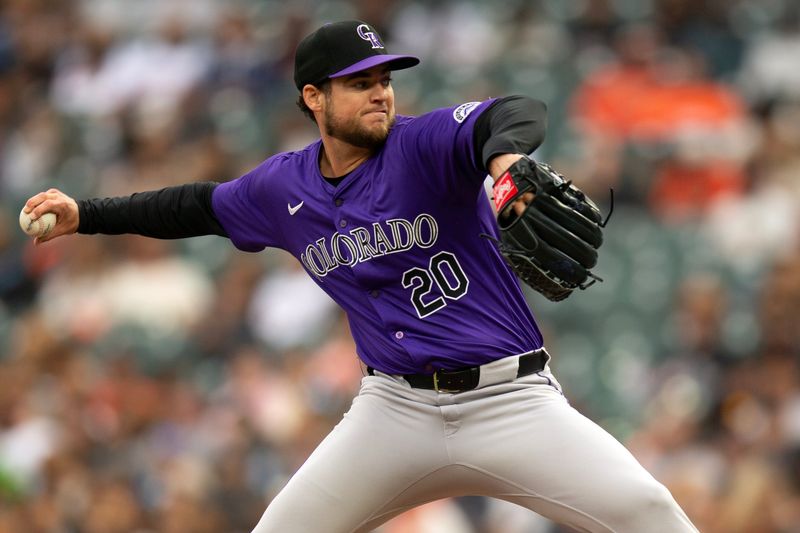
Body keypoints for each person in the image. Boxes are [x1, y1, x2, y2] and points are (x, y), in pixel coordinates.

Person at [24, 20, 698, 533]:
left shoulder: (422, 145)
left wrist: (505, 164)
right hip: (394, 412)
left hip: (509, 400)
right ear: (313, 97)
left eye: (384, 79)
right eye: (360, 82)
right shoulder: (282, 187)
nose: (380, 92)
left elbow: (510, 112)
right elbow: (195, 206)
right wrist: (87, 213)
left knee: (651, 512)